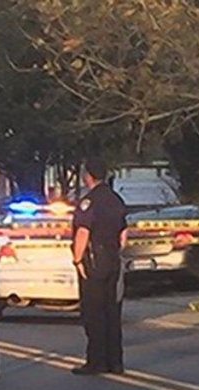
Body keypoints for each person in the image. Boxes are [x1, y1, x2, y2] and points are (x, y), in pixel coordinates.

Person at [71, 157, 129, 376]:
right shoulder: (116, 199)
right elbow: (124, 234)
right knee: (112, 311)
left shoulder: (89, 202)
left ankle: (96, 361)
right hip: (113, 258)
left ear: (88, 177)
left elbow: (83, 232)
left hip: (93, 261)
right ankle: (115, 362)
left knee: (93, 312)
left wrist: (78, 260)